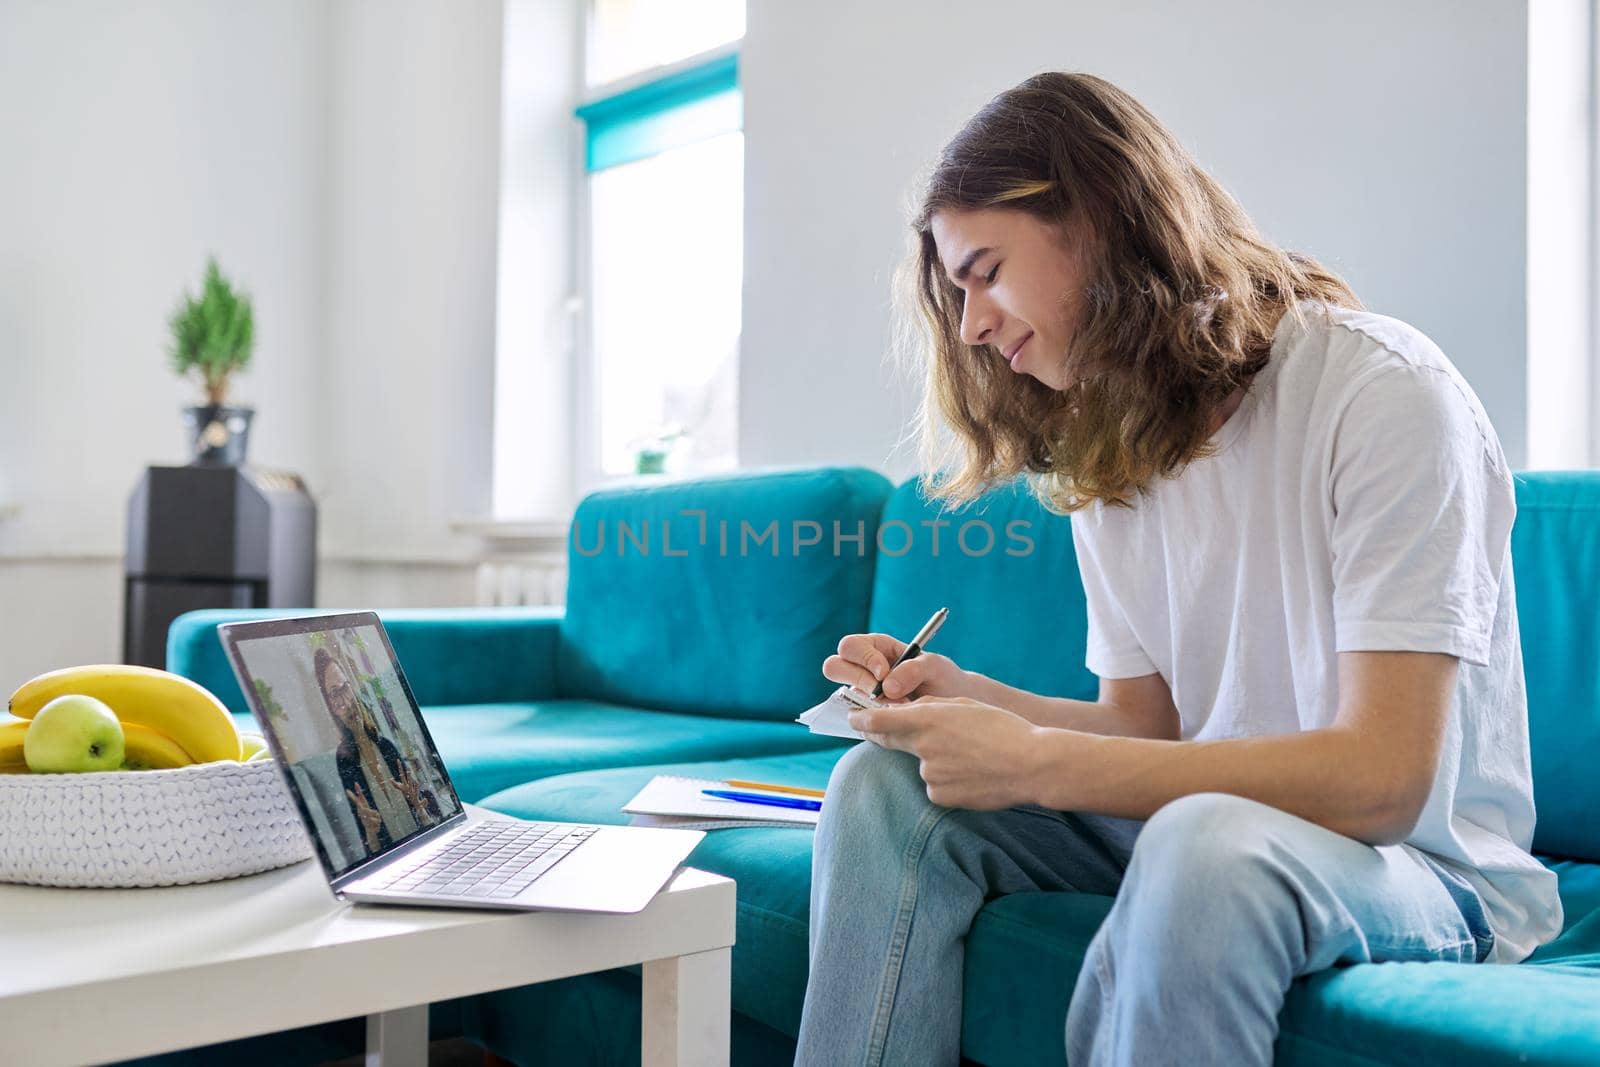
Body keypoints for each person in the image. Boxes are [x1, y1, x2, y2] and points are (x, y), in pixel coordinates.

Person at [794, 72, 1562, 1067]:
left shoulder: (1383, 394)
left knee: (1202, 844)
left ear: (1102, 220)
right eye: (955, 293)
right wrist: (973, 702)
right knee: (882, 786)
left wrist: (1033, 760)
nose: (973, 324)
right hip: (1199, 823)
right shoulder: (1106, 443)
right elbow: (1146, 727)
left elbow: (1384, 780)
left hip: (1415, 863)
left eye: (985, 270)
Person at [314, 646, 425, 855]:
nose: (347, 702)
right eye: (335, 694)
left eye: (346, 687)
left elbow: (423, 814)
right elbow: (370, 848)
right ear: (330, 706)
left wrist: (419, 807)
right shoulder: (344, 761)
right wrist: (371, 833)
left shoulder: (386, 746)